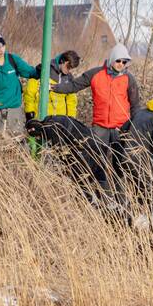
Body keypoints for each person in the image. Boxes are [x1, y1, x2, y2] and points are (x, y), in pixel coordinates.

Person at [52, 43, 140, 194]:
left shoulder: (128, 79)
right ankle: (101, 191)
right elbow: (74, 86)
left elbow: (135, 104)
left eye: (124, 62)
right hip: (100, 127)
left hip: (121, 127)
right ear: (112, 59)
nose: (121, 64)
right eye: (118, 61)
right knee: (97, 160)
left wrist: (134, 128)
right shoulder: (95, 74)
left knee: (120, 162)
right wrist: (55, 88)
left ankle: (119, 195)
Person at [22, 50, 80, 121]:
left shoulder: (69, 78)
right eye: (68, 66)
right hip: (41, 119)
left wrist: (71, 119)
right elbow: (29, 93)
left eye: (71, 68)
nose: (69, 70)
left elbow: (71, 100)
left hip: (60, 123)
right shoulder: (44, 70)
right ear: (62, 61)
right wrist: (29, 112)